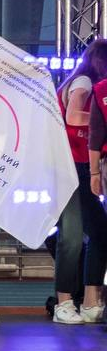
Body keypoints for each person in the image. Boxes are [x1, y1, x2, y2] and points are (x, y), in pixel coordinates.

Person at [59, 41, 107, 324]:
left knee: (97, 233)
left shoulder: (82, 80)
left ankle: (90, 301)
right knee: (72, 236)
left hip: (78, 165)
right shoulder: (85, 82)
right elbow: (73, 116)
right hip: (72, 165)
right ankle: (65, 302)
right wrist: (100, 118)